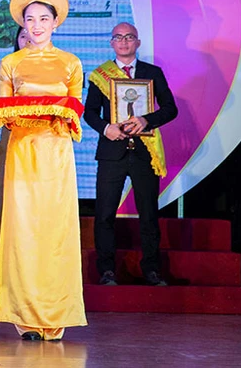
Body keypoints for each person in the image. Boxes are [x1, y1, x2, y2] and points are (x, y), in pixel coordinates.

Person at [0, 0, 87, 341]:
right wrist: (34, 112)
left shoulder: (71, 63)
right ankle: (25, 316)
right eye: (30, 19)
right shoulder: (10, 63)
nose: (36, 26)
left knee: (56, 232)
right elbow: (2, 113)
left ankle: (56, 314)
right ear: (22, 24)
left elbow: (74, 111)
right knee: (24, 232)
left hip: (57, 154)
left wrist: (57, 114)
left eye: (43, 19)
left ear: (55, 23)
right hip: (22, 152)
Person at [84, 22, 178, 287]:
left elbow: (170, 109)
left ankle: (152, 270)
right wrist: (107, 128)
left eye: (129, 37)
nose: (123, 41)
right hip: (111, 153)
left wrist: (147, 120)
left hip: (145, 152)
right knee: (105, 214)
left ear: (138, 42)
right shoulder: (100, 75)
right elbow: (89, 112)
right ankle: (107, 271)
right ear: (111, 43)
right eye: (118, 37)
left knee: (148, 214)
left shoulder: (152, 73)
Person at [0, 26, 30, 231]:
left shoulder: (58, 66)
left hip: (46, 142)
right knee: (10, 197)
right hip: (11, 141)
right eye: (23, 35)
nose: (28, 39)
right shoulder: (6, 68)